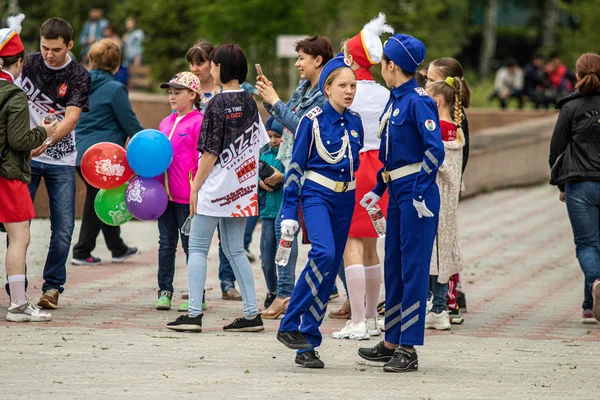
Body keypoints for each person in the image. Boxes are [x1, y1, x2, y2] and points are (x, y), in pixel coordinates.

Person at [357, 33, 444, 373]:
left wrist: (421, 191)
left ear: (392, 65)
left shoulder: (418, 100)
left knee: (413, 270)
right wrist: (378, 188)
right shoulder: (396, 99)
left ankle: (408, 347)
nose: (381, 68)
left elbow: (434, 149)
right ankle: (392, 339)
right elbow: (392, 156)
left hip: (416, 195)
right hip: (397, 191)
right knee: (393, 265)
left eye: (383, 63)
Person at [167, 44, 268, 333]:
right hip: (242, 189)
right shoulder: (249, 101)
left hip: (213, 188)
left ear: (221, 68)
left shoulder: (216, 104)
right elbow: (258, 143)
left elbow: (210, 152)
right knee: (235, 250)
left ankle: (194, 314)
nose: (210, 69)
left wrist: (195, 187)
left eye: (213, 64)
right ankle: (251, 314)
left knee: (198, 248)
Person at [275, 56, 363, 369]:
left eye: (352, 85)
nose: (349, 91)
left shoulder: (355, 121)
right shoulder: (311, 120)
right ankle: (289, 323)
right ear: (327, 88)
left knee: (327, 273)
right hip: (316, 196)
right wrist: (288, 211)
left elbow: (354, 164)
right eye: (342, 85)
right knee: (323, 255)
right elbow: (295, 167)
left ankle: (307, 343)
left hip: (345, 200)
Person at [15, 18, 91, 310]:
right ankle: (17, 285)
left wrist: (44, 142)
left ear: (69, 45)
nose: (48, 54)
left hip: (60, 159)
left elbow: (71, 118)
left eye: (56, 49)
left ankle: (52, 287)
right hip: (24, 157)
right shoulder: (28, 63)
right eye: (45, 47)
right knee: (18, 226)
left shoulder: (78, 75)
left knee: (63, 227)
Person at [256, 36, 333, 310]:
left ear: (318, 60)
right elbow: (285, 117)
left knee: (294, 230)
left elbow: (303, 127)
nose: (298, 63)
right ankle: (296, 292)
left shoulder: (325, 93)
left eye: (302, 58)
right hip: (293, 166)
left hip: (313, 171)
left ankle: (286, 294)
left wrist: (275, 101)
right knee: (293, 230)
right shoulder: (304, 87)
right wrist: (269, 98)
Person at [331, 13, 392, 340]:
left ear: (352, 58)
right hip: (379, 169)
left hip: (353, 168)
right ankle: (370, 317)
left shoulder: (347, 91)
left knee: (350, 243)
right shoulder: (384, 93)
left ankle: (356, 320)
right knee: (371, 246)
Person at [0, 14, 57, 322]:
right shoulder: (14, 94)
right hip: (8, 177)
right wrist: (45, 133)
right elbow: (19, 139)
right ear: (19, 61)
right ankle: (19, 304)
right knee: (20, 236)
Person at [72, 39, 140, 267]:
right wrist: (146, 142)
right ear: (116, 64)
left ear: (91, 60)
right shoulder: (115, 89)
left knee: (101, 197)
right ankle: (82, 251)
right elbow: (130, 123)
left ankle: (117, 247)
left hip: (80, 154)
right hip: (104, 157)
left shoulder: (81, 85)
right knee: (96, 200)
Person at [184, 39, 243, 304]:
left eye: (201, 62)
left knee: (230, 240)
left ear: (215, 64)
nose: (195, 68)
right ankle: (197, 290)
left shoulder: (232, 94)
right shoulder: (188, 92)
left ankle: (226, 283)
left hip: (226, 172)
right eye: (192, 63)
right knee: (198, 237)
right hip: (196, 167)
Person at [549, 52, 600, 324]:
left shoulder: (570, 107)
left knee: (587, 244)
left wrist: (559, 183)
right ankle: (590, 305)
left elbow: (556, 148)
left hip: (579, 183)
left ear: (577, 76)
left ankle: (596, 284)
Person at [426, 56, 472, 319]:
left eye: (430, 80)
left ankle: (438, 304)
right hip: (448, 195)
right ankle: (444, 304)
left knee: (433, 254)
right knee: (445, 248)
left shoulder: (438, 127)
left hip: (436, 194)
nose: (425, 84)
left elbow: (437, 160)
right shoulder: (455, 125)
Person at [154, 72, 203, 311]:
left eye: (177, 92)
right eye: (170, 92)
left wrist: (197, 190)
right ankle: (164, 291)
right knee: (165, 244)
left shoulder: (199, 122)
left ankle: (197, 294)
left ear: (193, 95)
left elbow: (201, 159)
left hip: (188, 197)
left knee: (191, 246)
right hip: (164, 196)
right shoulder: (165, 122)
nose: (172, 96)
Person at [258, 118, 286, 315]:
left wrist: (281, 178)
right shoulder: (264, 155)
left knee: (282, 257)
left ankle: (285, 293)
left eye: (277, 136)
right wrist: (260, 182)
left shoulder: (288, 157)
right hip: (267, 213)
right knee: (266, 257)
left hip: (285, 213)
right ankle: (272, 289)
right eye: (270, 136)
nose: (273, 140)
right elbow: (252, 175)